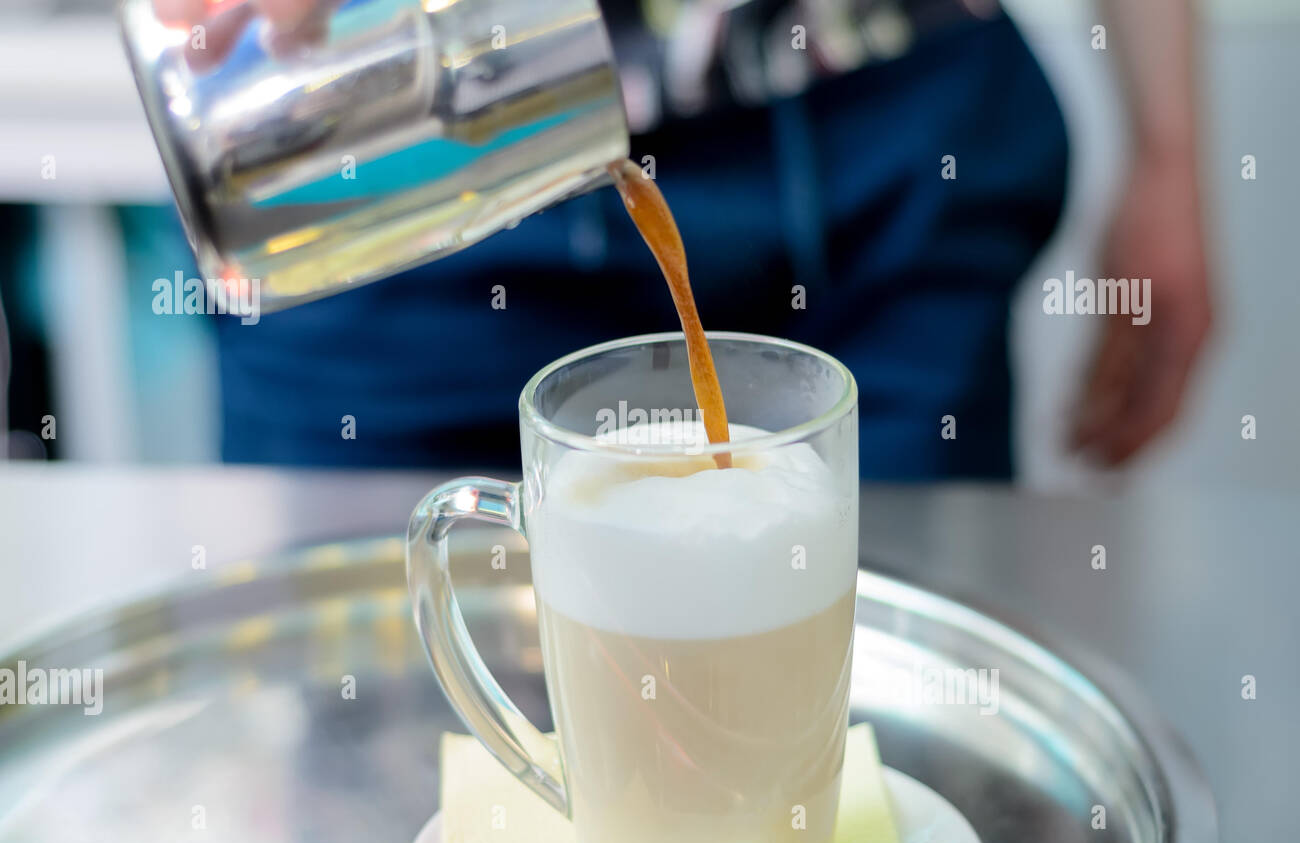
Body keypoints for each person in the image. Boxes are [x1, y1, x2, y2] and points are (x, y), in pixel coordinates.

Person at [152, 0, 1212, 477]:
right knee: (385, 741)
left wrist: (1169, 152)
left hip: (887, 133)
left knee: (866, 743)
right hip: (399, 132)